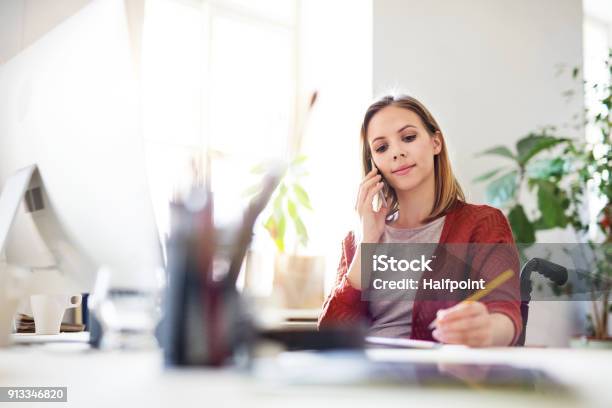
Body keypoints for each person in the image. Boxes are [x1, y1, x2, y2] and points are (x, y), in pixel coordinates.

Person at [318, 95, 522, 347]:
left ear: (436, 142)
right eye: (382, 148)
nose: (397, 152)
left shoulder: (483, 223)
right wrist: (368, 242)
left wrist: (486, 331)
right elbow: (330, 336)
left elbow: (505, 314)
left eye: (408, 137)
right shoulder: (357, 238)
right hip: (367, 377)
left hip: (437, 379)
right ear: (374, 165)